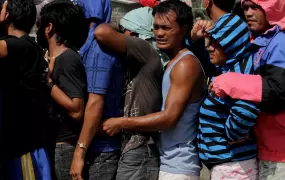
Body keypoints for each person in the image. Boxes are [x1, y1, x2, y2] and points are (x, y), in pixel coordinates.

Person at [102, 1, 206, 180]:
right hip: (169, 163)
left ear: (183, 29)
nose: (159, 33)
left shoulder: (185, 65)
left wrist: (121, 123)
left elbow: (169, 118)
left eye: (166, 28)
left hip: (179, 168)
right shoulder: (172, 62)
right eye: (156, 27)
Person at [209, 0, 285, 179]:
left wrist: (231, 82)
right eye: (245, 8)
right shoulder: (257, 39)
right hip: (265, 150)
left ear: (272, 8)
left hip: (280, 155)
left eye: (256, 7)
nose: (249, 13)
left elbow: (278, 91)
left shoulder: (280, 42)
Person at [94, 7, 164, 180]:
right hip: (136, 151)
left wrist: (115, 27)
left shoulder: (146, 50)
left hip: (140, 153)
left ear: (133, 34)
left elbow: (101, 32)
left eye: (123, 31)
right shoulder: (142, 61)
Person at [70, 0, 125, 179]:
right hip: (94, 145)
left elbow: (95, 102)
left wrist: (79, 154)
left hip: (100, 150)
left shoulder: (98, 47)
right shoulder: (89, 45)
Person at [0, 0, 52, 179]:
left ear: (6, 15)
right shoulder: (29, 46)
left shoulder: (19, 46)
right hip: (22, 143)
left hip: (23, 147)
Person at [36, 0, 88, 179]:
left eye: (40, 24)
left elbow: (76, 109)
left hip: (64, 148)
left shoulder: (68, 59)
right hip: (52, 144)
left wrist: (48, 83)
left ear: (49, 27)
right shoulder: (54, 58)